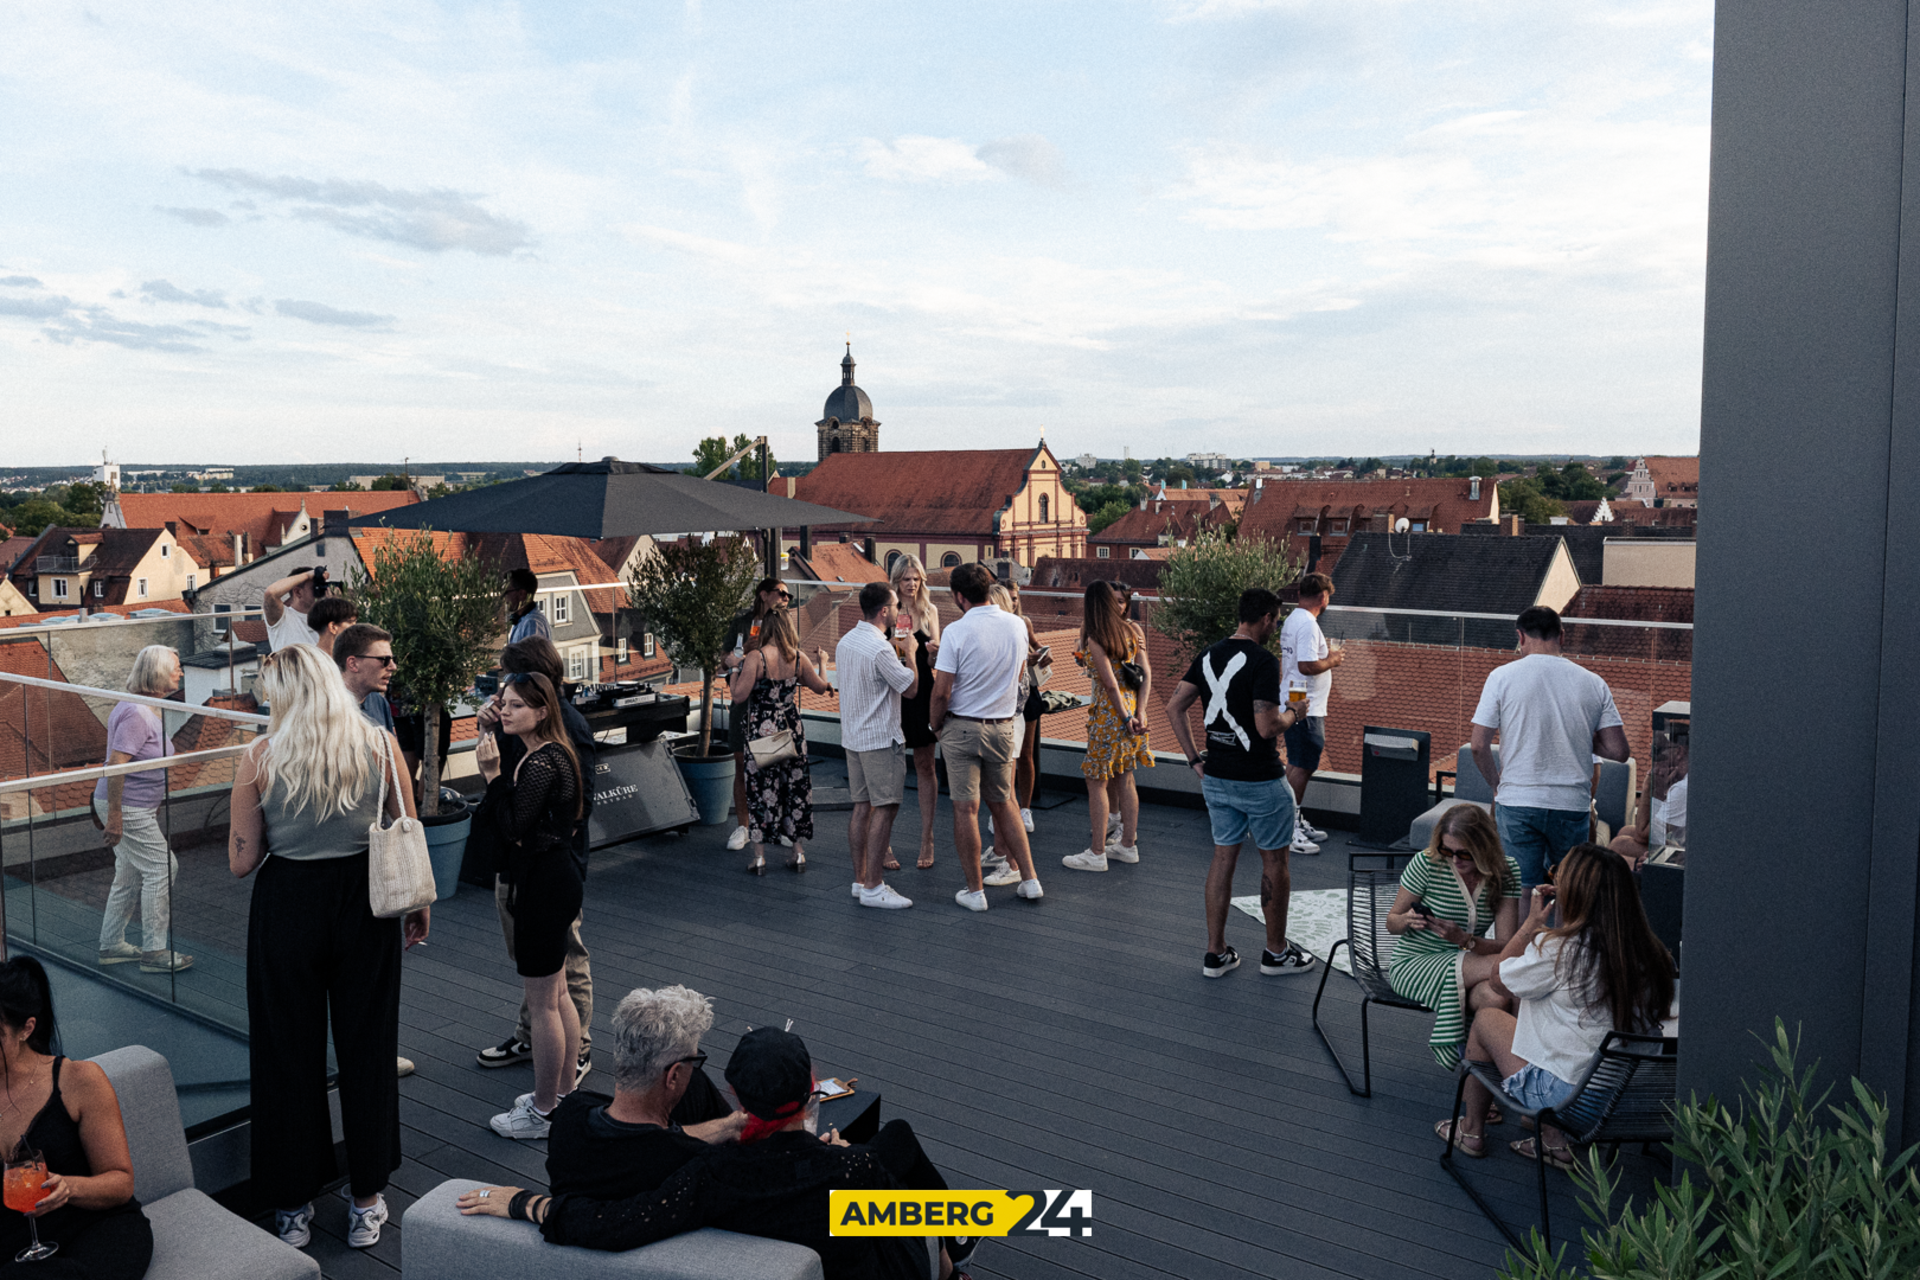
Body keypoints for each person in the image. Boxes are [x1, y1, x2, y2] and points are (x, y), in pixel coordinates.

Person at [458, 1026, 976, 1280]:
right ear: (810, 1094)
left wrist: (526, 1204)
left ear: (736, 1098)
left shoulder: (709, 1176)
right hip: (857, 1261)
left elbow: (613, 1224)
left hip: (791, 1237)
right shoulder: (854, 1168)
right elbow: (894, 1220)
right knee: (904, 1167)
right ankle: (958, 1255)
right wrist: (838, 1155)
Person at [228, 644, 427, 1251]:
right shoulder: (378, 745)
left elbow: (241, 861)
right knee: (368, 1047)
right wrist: (416, 906)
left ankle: (293, 1206)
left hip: (288, 903)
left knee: (287, 1054)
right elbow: (406, 826)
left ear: (284, 694)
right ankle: (367, 1198)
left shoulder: (259, 756)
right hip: (365, 902)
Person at [1438, 843, 1676, 1165]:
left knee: (1487, 1020)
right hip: (1628, 1095)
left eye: (1557, 878)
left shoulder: (1561, 950)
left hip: (1575, 1103)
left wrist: (1530, 925)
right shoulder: (1652, 951)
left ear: (1573, 893)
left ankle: (1471, 1131)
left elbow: (1498, 980)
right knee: (1556, 1023)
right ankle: (1552, 1141)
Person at [1164, 588, 1315, 977]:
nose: (1276, 627)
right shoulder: (1263, 661)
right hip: (1261, 779)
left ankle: (1215, 954)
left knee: (1223, 857)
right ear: (1265, 618)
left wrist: (1195, 759)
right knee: (1275, 861)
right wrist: (1295, 713)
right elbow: (1266, 727)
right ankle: (1276, 954)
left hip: (1217, 777)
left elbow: (1173, 706)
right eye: (1276, 620)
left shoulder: (1209, 654)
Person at [473, 638, 598, 1086]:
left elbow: (553, 810)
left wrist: (490, 779)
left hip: (545, 869)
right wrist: (493, 729)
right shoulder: (531, 735)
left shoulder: (565, 738)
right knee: (540, 971)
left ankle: (572, 1053)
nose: (500, 702)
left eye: (510, 695)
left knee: (562, 968)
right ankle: (538, 1041)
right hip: (533, 867)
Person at [0, 957, 154, 1279]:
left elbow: (121, 1182)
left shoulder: (78, 1080)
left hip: (98, 1228)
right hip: (17, 1242)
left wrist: (67, 1186)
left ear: (26, 1029)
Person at [1470, 606, 1632, 893]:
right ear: (1562, 635)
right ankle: (1564, 938)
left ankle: (1525, 938)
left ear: (1520, 636)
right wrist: (1578, 733)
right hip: (1571, 803)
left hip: (1518, 798)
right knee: (1571, 889)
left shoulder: (1501, 677)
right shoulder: (1593, 682)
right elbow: (1619, 752)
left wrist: (1497, 784)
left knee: (1521, 890)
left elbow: (1478, 745)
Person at [543, 986, 745, 1200]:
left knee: (694, 1083)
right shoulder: (689, 1163)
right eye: (694, 1060)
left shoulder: (570, 1113)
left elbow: (651, 1141)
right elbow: (663, 1146)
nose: (694, 1068)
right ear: (673, 1076)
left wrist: (726, 1126)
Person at [931, 564, 1042, 911]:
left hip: (962, 725)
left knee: (966, 808)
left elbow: (942, 692)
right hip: (1004, 725)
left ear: (959, 596)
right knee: (1005, 802)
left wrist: (935, 726)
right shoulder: (1016, 625)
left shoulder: (955, 631)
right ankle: (1030, 879)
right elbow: (1021, 673)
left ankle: (975, 890)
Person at [1385, 804, 1523, 1070]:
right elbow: (1392, 922)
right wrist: (1407, 921)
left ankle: (1480, 1084)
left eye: (1464, 853)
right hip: (1416, 963)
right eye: (1446, 850)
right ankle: (1523, 1071)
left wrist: (1464, 939)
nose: (1454, 860)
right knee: (1512, 972)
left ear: (1484, 849)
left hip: (1467, 960)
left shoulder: (1507, 872)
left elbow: (1507, 945)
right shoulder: (1427, 863)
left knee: (1494, 999)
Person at [93, 644, 193, 975]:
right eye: (175, 667)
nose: (180, 672)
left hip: (135, 807)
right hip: (127, 807)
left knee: (129, 873)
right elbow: (116, 765)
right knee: (163, 868)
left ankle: (111, 945)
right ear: (157, 673)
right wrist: (116, 816)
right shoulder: (137, 713)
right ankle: (154, 951)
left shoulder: (147, 707)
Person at [836, 583, 920, 909]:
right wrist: (910, 652)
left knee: (861, 807)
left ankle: (861, 880)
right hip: (880, 740)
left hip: (853, 738)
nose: (899, 610)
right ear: (884, 611)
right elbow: (910, 688)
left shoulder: (846, 642)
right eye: (896, 605)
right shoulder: (880, 648)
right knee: (885, 809)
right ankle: (874, 886)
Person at [729, 608, 830, 874]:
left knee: (762, 792)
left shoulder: (756, 657)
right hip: (792, 730)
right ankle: (798, 853)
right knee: (792, 790)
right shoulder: (798, 658)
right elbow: (820, 687)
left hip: (764, 730)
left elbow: (739, 696)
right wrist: (823, 661)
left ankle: (760, 858)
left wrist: (734, 669)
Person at [1064, 580, 1153, 872]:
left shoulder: (1096, 637)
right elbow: (1144, 673)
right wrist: (1138, 713)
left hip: (1109, 716)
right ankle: (1128, 845)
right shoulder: (1132, 631)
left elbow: (1110, 685)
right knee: (1126, 777)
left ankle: (1097, 852)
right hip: (1132, 709)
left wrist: (1125, 718)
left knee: (1096, 781)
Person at [979, 584, 1048, 887]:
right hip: (1006, 719)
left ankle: (1012, 863)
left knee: (1002, 793)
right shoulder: (1013, 632)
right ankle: (1000, 851)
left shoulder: (1009, 636)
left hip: (1007, 719)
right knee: (998, 791)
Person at [721, 578, 790, 853]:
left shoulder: (785, 623)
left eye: (788, 595)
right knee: (741, 764)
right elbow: (725, 654)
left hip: (772, 703)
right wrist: (734, 660)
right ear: (763, 594)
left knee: (775, 766)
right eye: (781, 593)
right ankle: (744, 825)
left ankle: (777, 825)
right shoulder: (741, 622)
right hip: (744, 702)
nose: (785, 598)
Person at [1278, 572, 1343, 855]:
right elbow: (1306, 665)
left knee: (1298, 761)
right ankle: (1288, 828)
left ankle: (1292, 818)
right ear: (1323, 597)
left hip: (1297, 697)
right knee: (1304, 764)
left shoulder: (1294, 619)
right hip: (1305, 703)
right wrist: (1333, 660)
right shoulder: (1306, 624)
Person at [889, 556, 942, 871]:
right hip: (893, 693)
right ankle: (886, 839)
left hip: (922, 692)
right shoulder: (888, 611)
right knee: (892, 768)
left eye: (916, 579)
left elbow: (937, 663)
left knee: (925, 765)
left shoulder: (930, 611)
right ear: (896, 580)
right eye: (907, 579)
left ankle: (927, 836)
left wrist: (935, 652)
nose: (912, 584)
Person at [1610, 738, 1689, 870]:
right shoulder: (1685, 780)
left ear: (1679, 752)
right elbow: (1653, 832)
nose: (1650, 756)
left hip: (1689, 861)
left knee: (1618, 845)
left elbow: (1643, 834)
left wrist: (1649, 787)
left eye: (1656, 751)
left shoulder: (1682, 789)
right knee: (1626, 831)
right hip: (1686, 852)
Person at [334, 623, 397, 733]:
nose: (393, 667)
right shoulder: (325, 706)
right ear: (353, 664)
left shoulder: (379, 702)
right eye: (384, 659)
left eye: (393, 659)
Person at [262, 565, 325, 652]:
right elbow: (271, 593)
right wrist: (307, 575)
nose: (321, 592)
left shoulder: (326, 618)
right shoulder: (283, 618)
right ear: (298, 592)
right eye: (314, 588)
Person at [503, 568, 551, 644]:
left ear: (522, 594)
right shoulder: (521, 620)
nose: (504, 597)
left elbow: (531, 655)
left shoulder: (532, 623)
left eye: (507, 592)